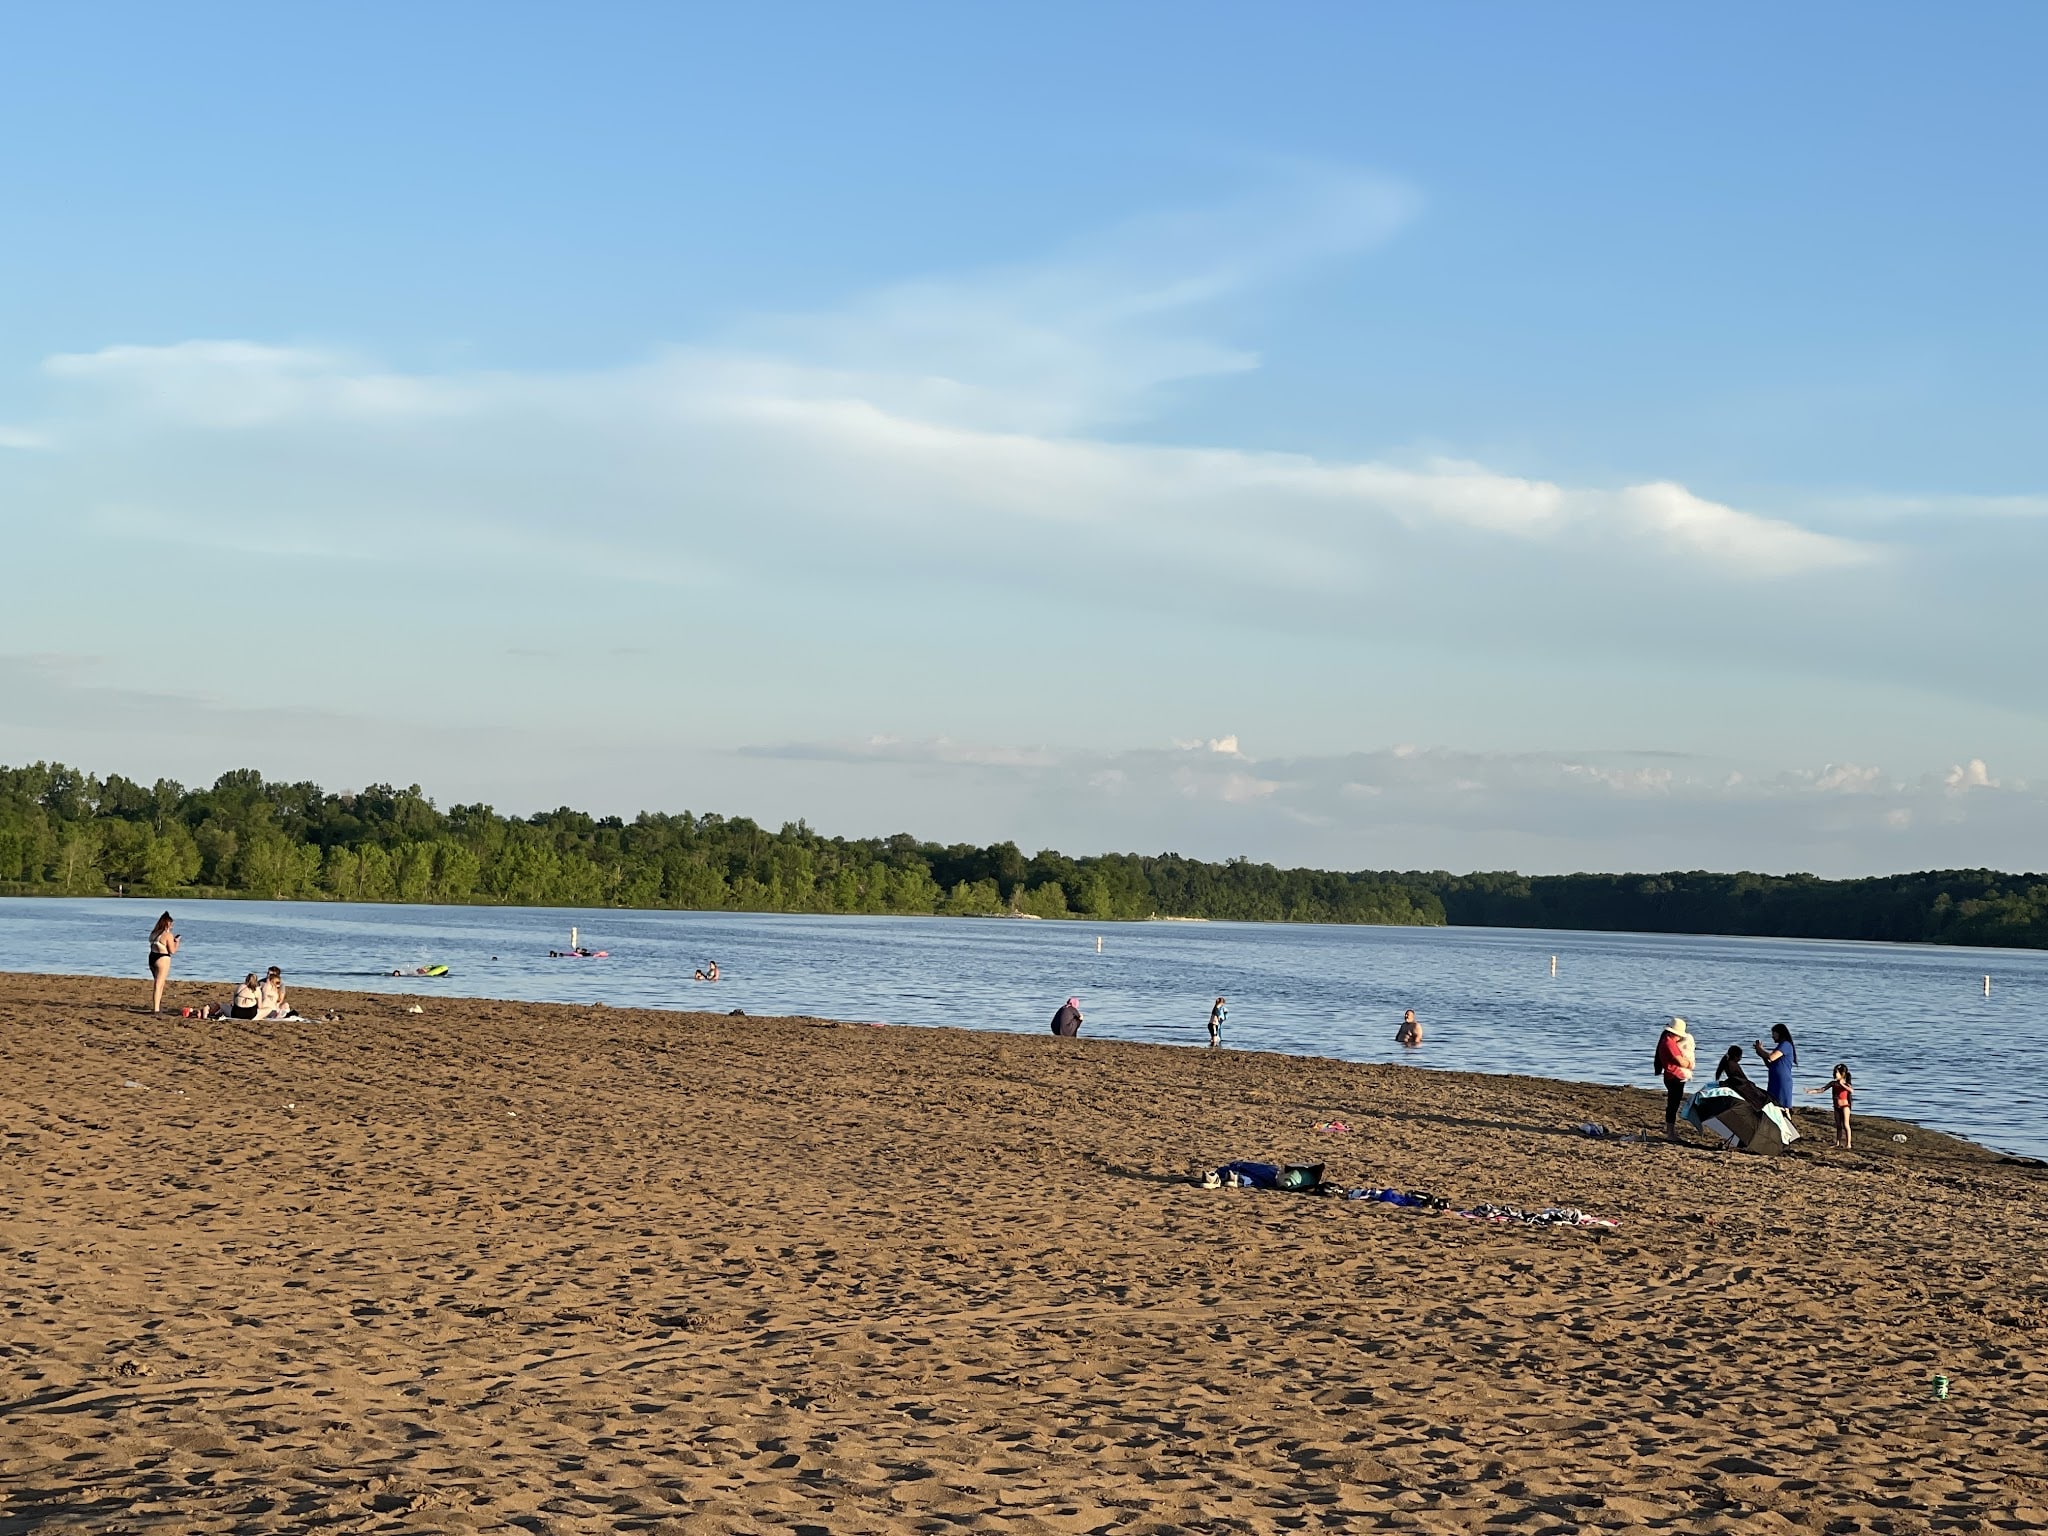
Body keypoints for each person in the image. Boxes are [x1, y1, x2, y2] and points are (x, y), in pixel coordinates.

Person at [1653, 1016, 1695, 1141]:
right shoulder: (1669, 1043)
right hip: (1674, 1076)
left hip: (1672, 1076)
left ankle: (1671, 1132)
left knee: (1673, 1104)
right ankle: (1670, 1134)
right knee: (1673, 1105)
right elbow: (1680, 1061)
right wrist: (1690, 1064)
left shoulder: (1667, 1041)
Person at [1753, 1023, 1798, 1112]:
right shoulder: (1780, 1046)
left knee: (1783, 1106)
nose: (1772, 1036)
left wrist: (1760, 1050)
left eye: (1773, 1033)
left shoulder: (1785, 1044)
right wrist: (1761, 1054)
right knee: (1773, 1104)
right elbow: (1770, 1064)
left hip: (1782, 1081)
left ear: (1779, 1033)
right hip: (1775, 1080)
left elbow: (1771, 1057)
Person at [1714, 1044, 1771, 1111]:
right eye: (1740, 1056)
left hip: (1737, 1082)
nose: (1740, 1058)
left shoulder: (1728, 1062)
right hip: (1739, 1083)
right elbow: (1742, 1077)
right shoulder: (1733, 1064)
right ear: (1735, 1056)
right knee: (1759, 1096)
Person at [146, 912, 179, 1013]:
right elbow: (172, 950)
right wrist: (177, 942)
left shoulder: (154, 933)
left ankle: (157, 1005)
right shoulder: (167, 935)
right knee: (159, 984)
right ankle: (156, 1008)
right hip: (162, 958)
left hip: (152, 957)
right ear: (167, 924)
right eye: (171, 924)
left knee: (157, 982)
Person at [1828, 1063, 1854, 1149]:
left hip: (1845, 1106)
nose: (1835, 1074)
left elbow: (1851, 1090)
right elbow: (1822, 1089)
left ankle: (1848, 1143)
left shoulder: (1846, 1084)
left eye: (1837, 1072)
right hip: (1836, 1107)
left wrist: (1842, 1084)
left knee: (1846, 1125)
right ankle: (1838, 1142)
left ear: (1842, 1074)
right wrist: (1811, 1091)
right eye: (1834, 1072)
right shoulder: (1833, 1083)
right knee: (1838, 1125)